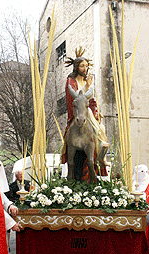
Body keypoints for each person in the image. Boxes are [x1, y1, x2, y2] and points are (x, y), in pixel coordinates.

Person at [62, 49, 109, 182]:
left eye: (86, 66)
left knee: (102, 127)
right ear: (77, 67)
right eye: (82, 66)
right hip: (78, 112)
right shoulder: (71, 81)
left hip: (88, 110)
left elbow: (92, 100)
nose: (85, 68)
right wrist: (87, 87)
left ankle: (101, 155)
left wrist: (96, 111)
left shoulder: (86, 81)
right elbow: (76, 99)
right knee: (87, 115)